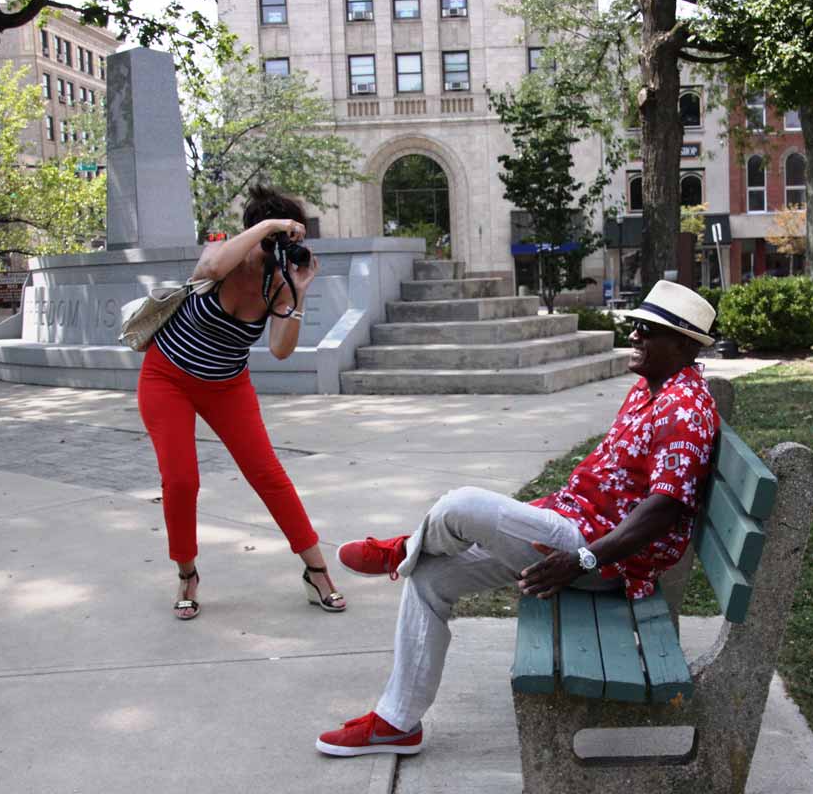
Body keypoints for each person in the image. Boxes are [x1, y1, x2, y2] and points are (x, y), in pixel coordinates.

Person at [316, 280, 719, 756]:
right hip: (570, 527)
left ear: (684, 345)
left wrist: (585, 560)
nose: (634, 336)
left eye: (648, 330)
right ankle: (397, 723)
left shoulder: (686, 408)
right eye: (635, 326)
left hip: (595, 555)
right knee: (428, 578)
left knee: (464, 504)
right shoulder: (648, 390)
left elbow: (664, 509)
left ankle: (401, 548)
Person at [137, 184, 345, 620]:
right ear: (257, 232)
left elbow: (282, 349)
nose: (279, 247)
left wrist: (300, 292)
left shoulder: (280, 283)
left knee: (267, 473)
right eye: (273, 236)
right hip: (167, 376)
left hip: (227, 387)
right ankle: (187, 573)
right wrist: (268, 225)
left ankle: (317, 572)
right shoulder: (227, 260)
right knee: (181, 480)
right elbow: (210, 264)